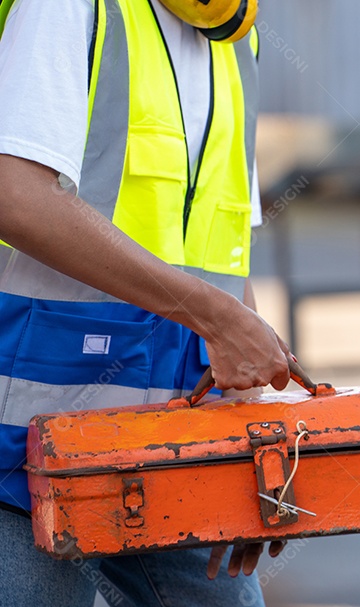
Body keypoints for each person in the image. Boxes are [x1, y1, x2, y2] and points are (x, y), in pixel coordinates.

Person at [0, 0, 290, 605]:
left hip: (179, 455)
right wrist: (210, 315)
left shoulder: (238, 44)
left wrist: (248, 452)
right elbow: (15, 194)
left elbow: (229, 262)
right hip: (27, 458)